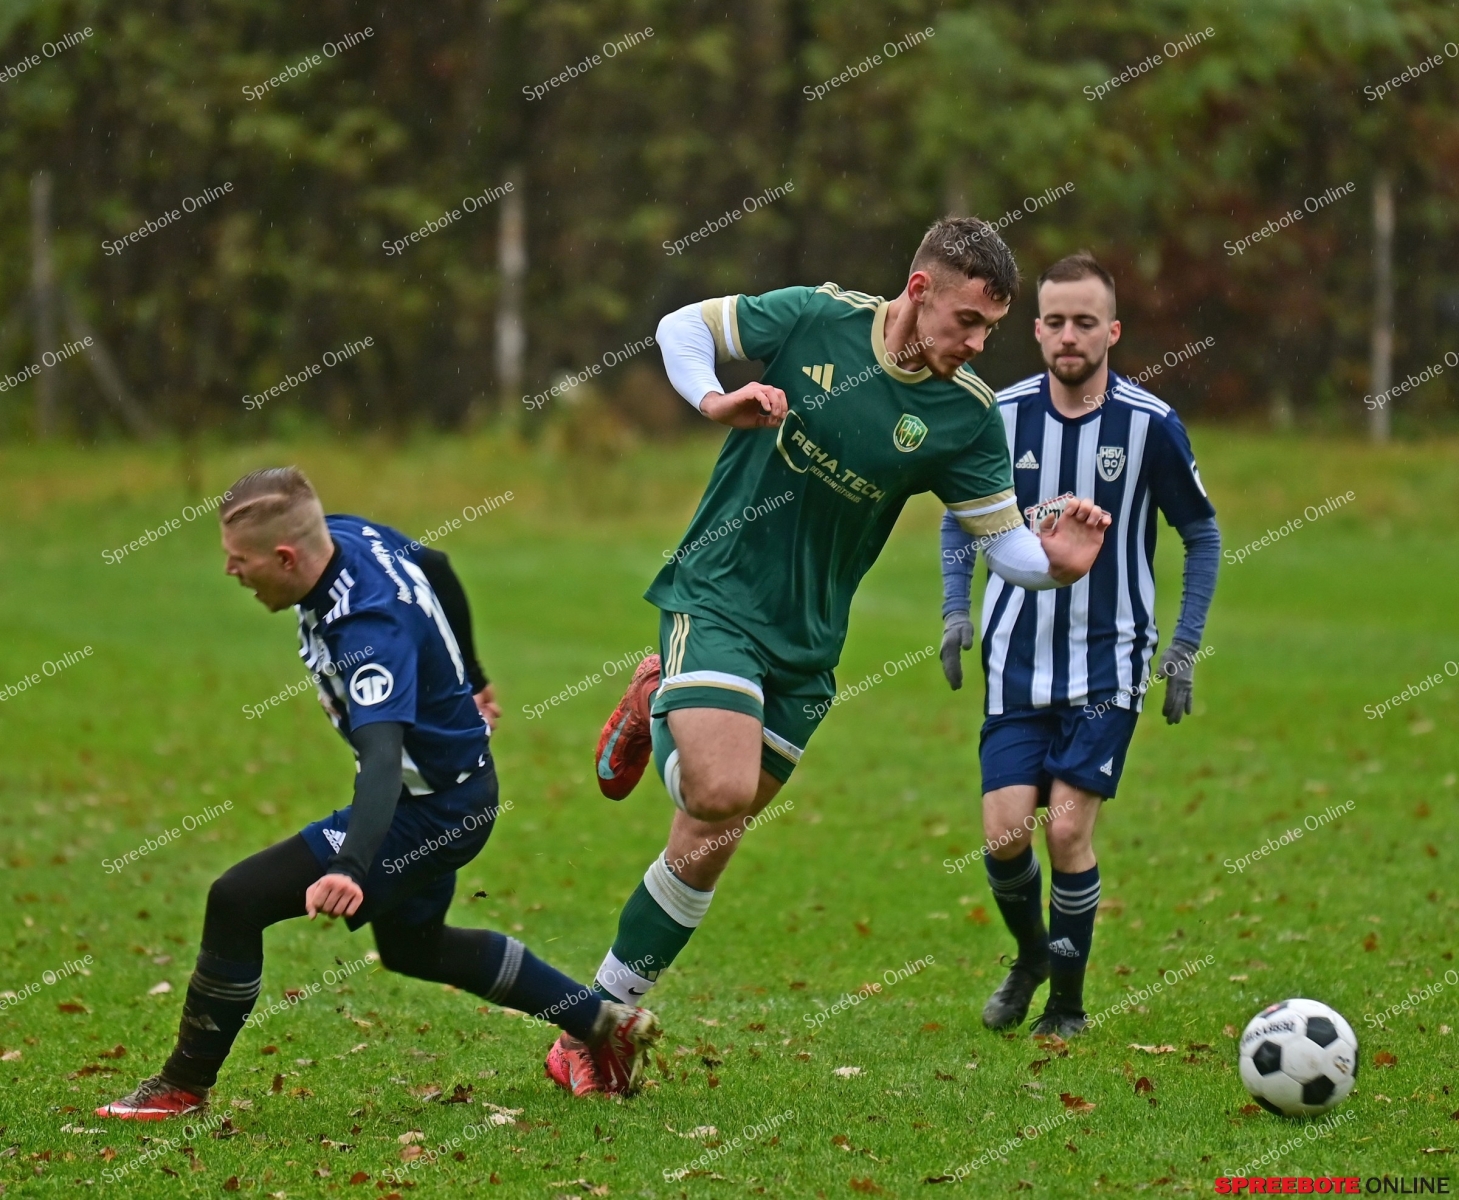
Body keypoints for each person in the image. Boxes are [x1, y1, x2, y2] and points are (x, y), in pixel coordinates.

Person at [545, 217, 1115, 1085]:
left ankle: (595, 1021)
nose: (976, 343)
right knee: (718, 788)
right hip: (719, 593)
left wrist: (1056, 565)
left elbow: (1002, 543)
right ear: (918, 291)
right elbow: (681, 327)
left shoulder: (963, 415)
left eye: (991, 329)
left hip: (808, 645)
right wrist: (712, 399)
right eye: (965, 320)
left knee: (708, 841)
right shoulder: (817, 318)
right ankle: (658, 707)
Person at [97, 467, 659, 1118]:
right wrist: (473, 675)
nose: (231, 571)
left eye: (239, 560)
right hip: (455, 793)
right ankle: (602, 1025)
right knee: (414, 947)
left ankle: (181, 1085)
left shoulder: (367, 632)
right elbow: (437, 565)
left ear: (286, 557)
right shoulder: (345, 535)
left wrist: (350, 865)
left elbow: (383, 761)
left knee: (236, 900)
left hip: (430, 810)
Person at [938, 252, 1221, 1037]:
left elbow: (1200, 534)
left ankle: (1065, 1005)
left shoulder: (1149, 424)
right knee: (1003, 837)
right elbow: (959, 519)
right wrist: (955, 611)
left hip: (1108, 660)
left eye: (1084, 322)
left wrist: (1184, 647)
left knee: (1065, 830)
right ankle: (1032, 957)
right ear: (1035, 330)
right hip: (1015, 661)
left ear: (1111, 332)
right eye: (1056, 321)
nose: (1069, 335)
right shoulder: (999, 416)